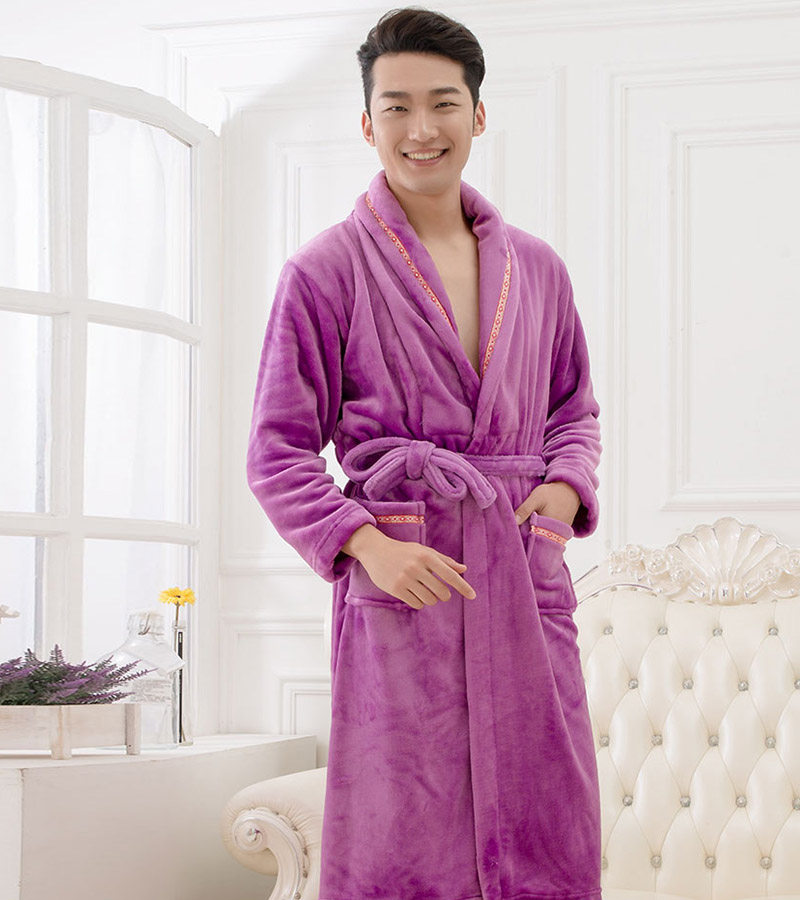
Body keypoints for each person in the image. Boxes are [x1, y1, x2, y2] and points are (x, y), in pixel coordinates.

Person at [246, 7, 603, 900]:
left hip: (522, 568)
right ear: (367, 124)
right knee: (403, 823)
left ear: (477, 114)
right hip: (408, 571)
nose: (421, 128)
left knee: (546, 807)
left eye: (442, 103)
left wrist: (564, 492)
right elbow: (277, 451)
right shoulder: (324, 271)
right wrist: (368, 545)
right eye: (396, 107)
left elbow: (575, 410)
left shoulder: (539, 269)